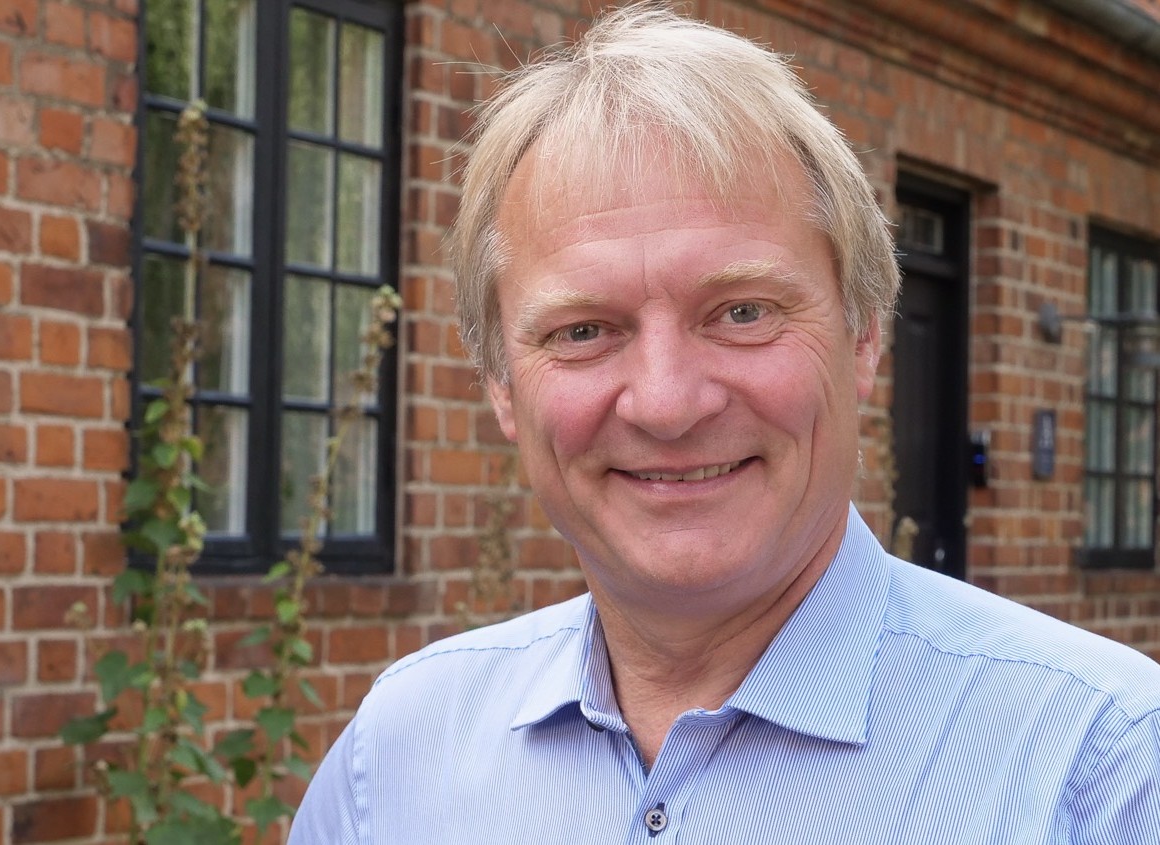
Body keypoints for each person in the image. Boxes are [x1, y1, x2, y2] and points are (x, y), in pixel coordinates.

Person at [290, 6, 1160, 842]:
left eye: (742, 312)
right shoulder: (395, 763)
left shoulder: (1105, 774)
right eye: (583, 331)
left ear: (864, 336)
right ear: (501, 386)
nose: (667, 403)